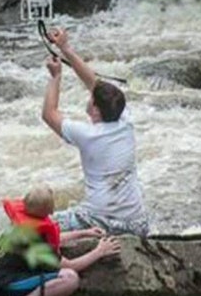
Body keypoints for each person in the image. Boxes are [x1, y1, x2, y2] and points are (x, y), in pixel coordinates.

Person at [41, 27, 149, 236]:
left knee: (37, 229)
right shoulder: (125, 120)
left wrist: (55, 77)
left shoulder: (87, 135)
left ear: (96, 110)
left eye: (91, 98)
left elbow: (49, 114)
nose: (88, 96)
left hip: (99, 222)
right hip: (138, 225)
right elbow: (94, 83)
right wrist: (65, 48)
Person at [0, 185, 121, 296]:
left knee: (67, 276)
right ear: (50, 210)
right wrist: (100, 251)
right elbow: (71, 265)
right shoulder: (36, 240)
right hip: (8, 285)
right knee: (70, 278)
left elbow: (54, 239)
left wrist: (84, 233)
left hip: (5, 279)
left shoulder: (27, 224)